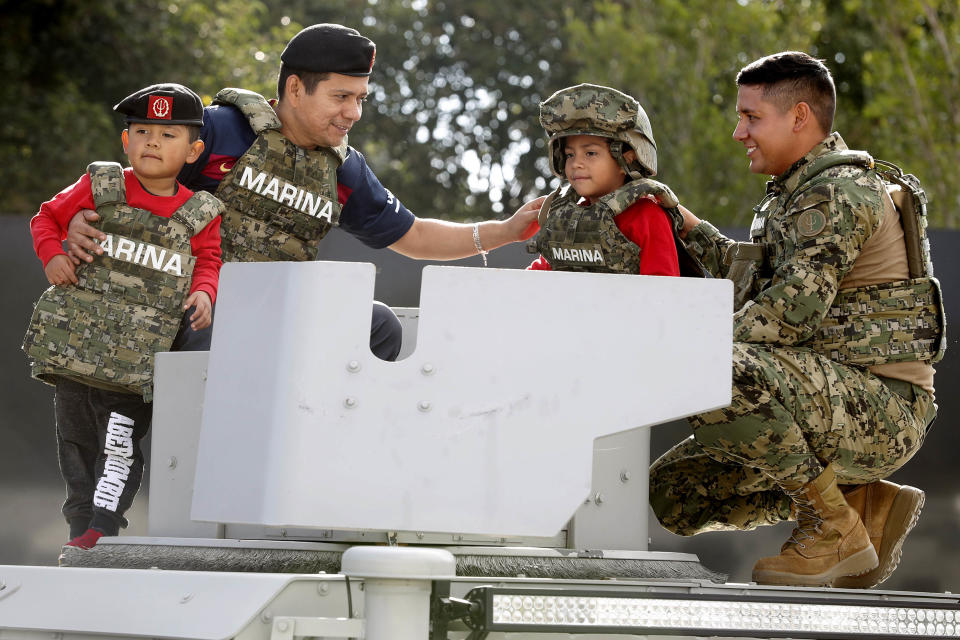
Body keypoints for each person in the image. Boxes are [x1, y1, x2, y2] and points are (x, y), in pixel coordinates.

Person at [64, 24, 543, 359]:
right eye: (341, 97)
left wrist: (505, 231)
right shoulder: (217, 130)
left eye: (360, 99)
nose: (354, 113)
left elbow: (413, 236)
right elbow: (138, 171)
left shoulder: (343, 169)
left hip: (276, 312)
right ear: (295, 89)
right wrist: (81, 216)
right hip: (189, 305)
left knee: (379, 325)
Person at [649, 51, 943, 588]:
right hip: (825, 401)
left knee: (705, 362)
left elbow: (786, 316)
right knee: (675, 493)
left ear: (800, 117)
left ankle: (830, 523)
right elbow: (750, 282)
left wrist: (675, 365)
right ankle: (857, 501)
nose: (739, 132)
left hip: (879, 410)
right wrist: (677, 219)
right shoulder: (798, 193)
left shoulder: (837, 191)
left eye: (751, 117)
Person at [23, 83, 224, 552]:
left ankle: (103, 525)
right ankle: (78, 526)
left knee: (118, 444)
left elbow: (209, 258)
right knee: (75, 444)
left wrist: (204, 292)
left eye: (168, 134)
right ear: (125, 140)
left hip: (134, 366)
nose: (152, 141)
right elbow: (46, 219)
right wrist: (52, 254)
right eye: (142, 130)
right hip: (78, 352)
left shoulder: (199, 213)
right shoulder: (100, 185)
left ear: (194, 150)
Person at [526, 83, 700, 277]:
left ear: (626, 157)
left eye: (590, 153)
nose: (576, 164)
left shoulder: (647, 216)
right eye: (569, 155)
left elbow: (664, 292)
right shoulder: (565, 218)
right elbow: (535, 282)